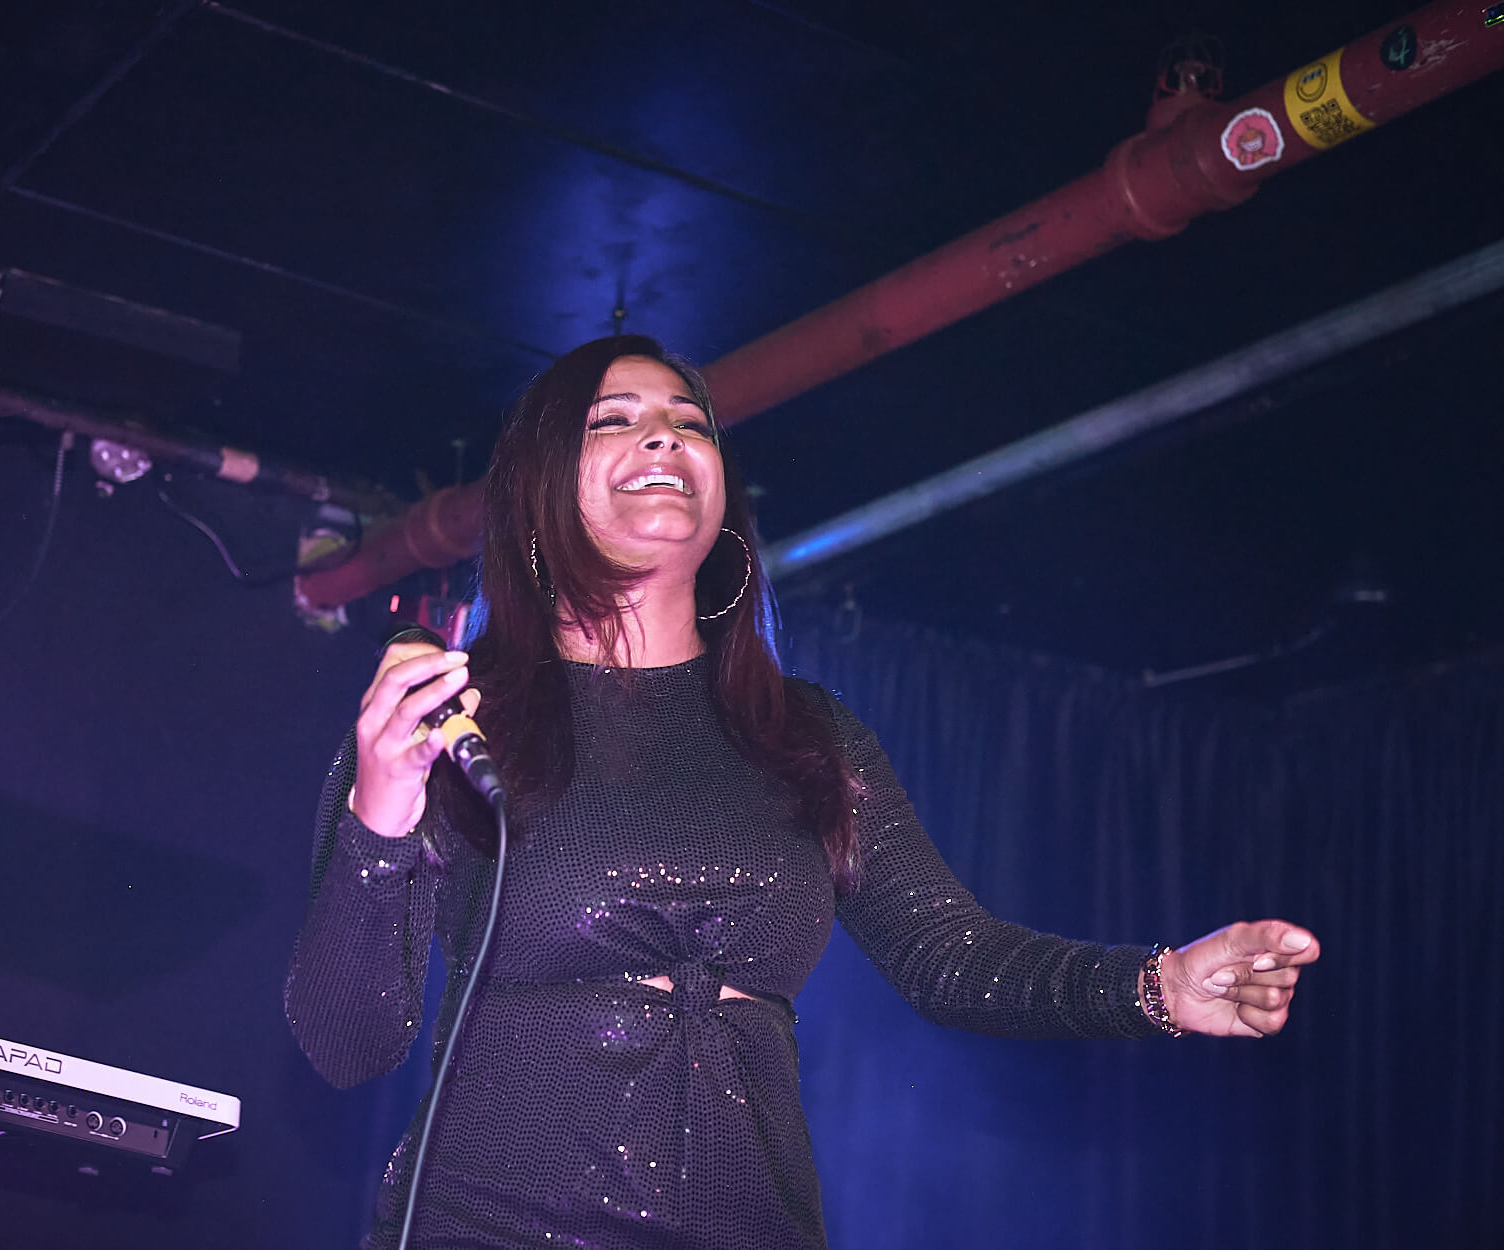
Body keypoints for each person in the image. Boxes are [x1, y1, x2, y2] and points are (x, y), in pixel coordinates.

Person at [284, 336, 1318, 1250]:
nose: (664, 437)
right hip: (494, 1222)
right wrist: (382, 814)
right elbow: (347, 1042)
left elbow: (948, 954)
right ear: (534, 492)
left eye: (690, 423)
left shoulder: (805, 733)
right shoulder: (458, 720)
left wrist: (1158, 985)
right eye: (615, 421)